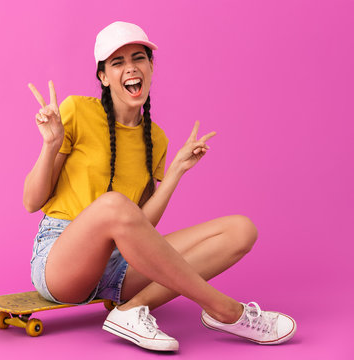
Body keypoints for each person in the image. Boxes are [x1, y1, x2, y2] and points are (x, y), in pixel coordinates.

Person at [24, 21, 296, 352]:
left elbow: (140, 228)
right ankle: (226, 310)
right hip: (61, 263)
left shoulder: (157, 138)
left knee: (241, 230)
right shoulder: (77, 110)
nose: (130, 68)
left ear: (151, 67)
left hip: (118, 265)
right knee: (113, 204)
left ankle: (131, 310)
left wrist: (176, 172)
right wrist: (51, 144)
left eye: (138, 58)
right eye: (117, 62)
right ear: (103, 77)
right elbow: (31, 201)